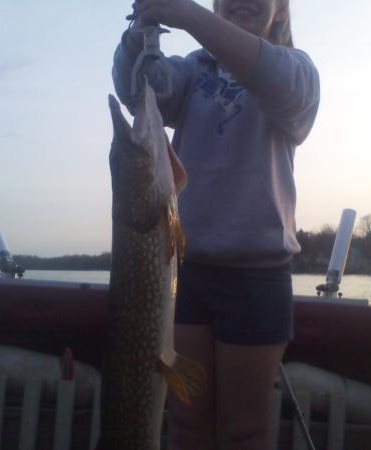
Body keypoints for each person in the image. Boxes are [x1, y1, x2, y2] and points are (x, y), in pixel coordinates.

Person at [112, 0, 320, 448]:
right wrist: (138, 33)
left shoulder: (296, 72)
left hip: (257, 277)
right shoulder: (192, 70)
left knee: (243, 432)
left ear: (282, 11)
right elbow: (138, 89)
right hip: (183, 273)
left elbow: (272, 77)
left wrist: (186, 14)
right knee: (185, 427)